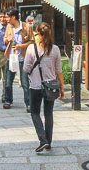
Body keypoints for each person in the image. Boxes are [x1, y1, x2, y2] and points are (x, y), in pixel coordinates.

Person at [23, 22, 65, 152]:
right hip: (51, 86)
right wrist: (62, 87)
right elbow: (59, 70)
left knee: (35, 112)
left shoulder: (31, 49)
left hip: (36, 86)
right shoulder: (56, 49)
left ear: (39, 35)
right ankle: (49, 141)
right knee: (49, 114)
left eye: (36, 34)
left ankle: (43, 140)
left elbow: (26, 68)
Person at [4, 8, 33, 112]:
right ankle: (8, 100)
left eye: (8, 17)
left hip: (23, 57)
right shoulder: (8, 27)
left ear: (13, 17)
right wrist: (7, 40)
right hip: (11, 57)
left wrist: (21, 46)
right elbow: (5, 39)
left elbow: (31, 42)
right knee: (8, 81)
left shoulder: (27, 27)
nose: (6, 19)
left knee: (25, 82)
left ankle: (29, 103)